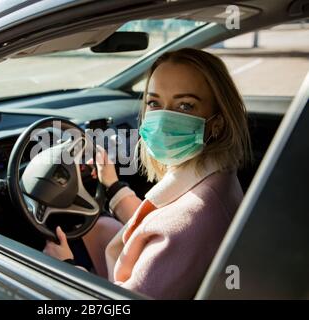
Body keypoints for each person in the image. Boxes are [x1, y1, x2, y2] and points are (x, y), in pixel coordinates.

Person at [43, 48, 252, 299]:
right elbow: (158, 223)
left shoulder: (192, 221)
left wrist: (65, 269)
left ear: (216, 122)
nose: (163, 119)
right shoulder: (217, 176)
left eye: (185, 105)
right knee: (99, 226)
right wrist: (113, 185)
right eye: (154, 102)